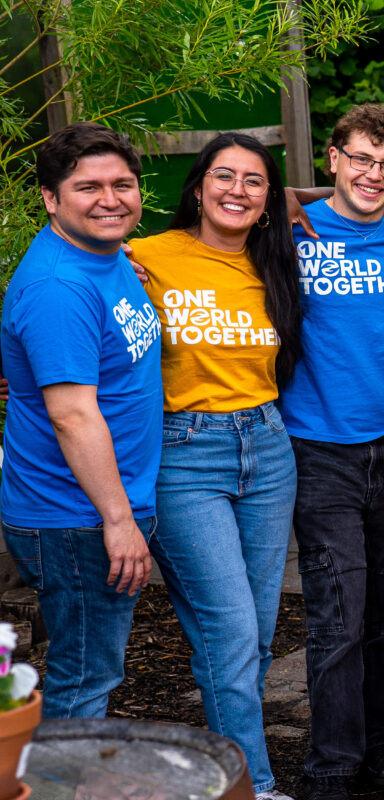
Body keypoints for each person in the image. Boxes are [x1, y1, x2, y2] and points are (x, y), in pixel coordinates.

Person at [130, 132, 305, 800]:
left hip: (266, 449)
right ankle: (251, 786)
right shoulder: (145, 256)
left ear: (269, 202)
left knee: (253, 637)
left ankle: (226, 771)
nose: (237, 189)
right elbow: (67, 284)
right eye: (224, 176)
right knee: (232, 631)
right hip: (183, 454)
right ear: (198, 186)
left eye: (254, 181)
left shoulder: (276, 262)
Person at [283, 105, 384, 799]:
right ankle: (332, 766)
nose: (375, 174)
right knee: (338, 614)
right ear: (334, 159)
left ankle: (383, 751)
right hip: (320, 447)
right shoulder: (289, 231)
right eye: (362, 159)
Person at [0, 123, 160, 722]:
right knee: (85, 677)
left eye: (123, 184)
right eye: (88, 187)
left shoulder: (105, 255)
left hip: (93, 506)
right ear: (50, 198)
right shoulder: (61, 286)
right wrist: (118, 520)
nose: (111, 199)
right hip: (77, 517)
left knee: (92, 669)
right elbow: (71, 415)